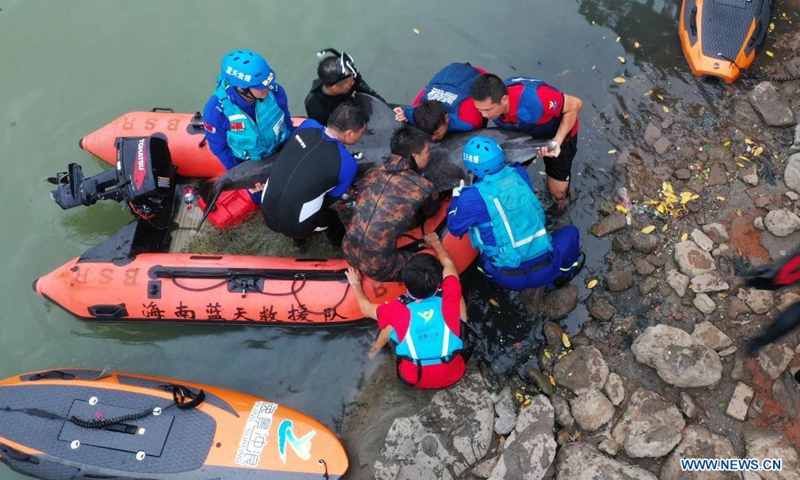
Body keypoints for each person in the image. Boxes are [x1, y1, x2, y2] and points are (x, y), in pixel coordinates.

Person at [447, 136, 584, 291]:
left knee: (484, 261)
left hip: (507, 277)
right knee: (571, 233)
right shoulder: (519, 173)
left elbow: (454, 227)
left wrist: (456, 199)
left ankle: (491, 282)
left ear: (471, 168)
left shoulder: (470, 197)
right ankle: (562, 277)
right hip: (545, 269)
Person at [345, 233, 468, 389]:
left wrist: (355, 283)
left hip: (416, 378)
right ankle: (458, 329)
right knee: (458, 294)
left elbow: (365, 308)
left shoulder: (398, 309)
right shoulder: (449, 293)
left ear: (405, 281)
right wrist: (436, 243)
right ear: (438, 281)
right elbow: (448, 263)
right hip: (454, 373)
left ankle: (374, 350)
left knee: (390, 323)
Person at [261, 101, 368, 251]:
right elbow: (329, 199)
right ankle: (341, 246)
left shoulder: (308, 125)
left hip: (265, 209)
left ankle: (299, 242)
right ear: (349, 133)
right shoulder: (347, 164)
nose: (362, 136)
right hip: (297, 225)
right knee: (330, 217)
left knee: (299, 195)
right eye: (362, 132)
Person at [470, 73, 582, 214]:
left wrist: (556, 142)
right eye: (480, 110)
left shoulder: (536, 99)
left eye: (487, 110)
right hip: (524, 135)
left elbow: (575, 105)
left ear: (504, 100)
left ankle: (562, 208)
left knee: (557, 192)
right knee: (509, 173)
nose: (484, 115)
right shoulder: (491, 103)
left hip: (557, 136)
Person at [343, 125, 439, 281]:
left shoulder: (373, 172)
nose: (429, 156)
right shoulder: (423, 187)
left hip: (347, 249)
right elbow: (431, 212)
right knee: (429, 267)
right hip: (378, 266)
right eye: (427, 152)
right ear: (414, 156)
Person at [203, 49, 293, 171]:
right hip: (250, 164)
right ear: (241, 88)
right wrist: (246, 176)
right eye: (260, 86)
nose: (267, 88)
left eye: (267, 82)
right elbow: (220, 148)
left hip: (280, 152)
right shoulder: (216, 113)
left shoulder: (276, 92)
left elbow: (287, 124)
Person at [393, 62, 487, 141]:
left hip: (474, 76)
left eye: (437, 132)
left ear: (447, 118)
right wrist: (404, 115)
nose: (433, 138)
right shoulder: (418, 109)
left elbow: (476, 124)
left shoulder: (469, 121)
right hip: (444, 78)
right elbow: (408, 112)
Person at [304, 49, 386, 126]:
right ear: (335, 88)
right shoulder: (315, 108)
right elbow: (327, 133)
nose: (354, 82)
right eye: (350, 83)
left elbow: (371, 94)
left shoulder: (349, 75)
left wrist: (389, 110)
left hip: (353, 108)